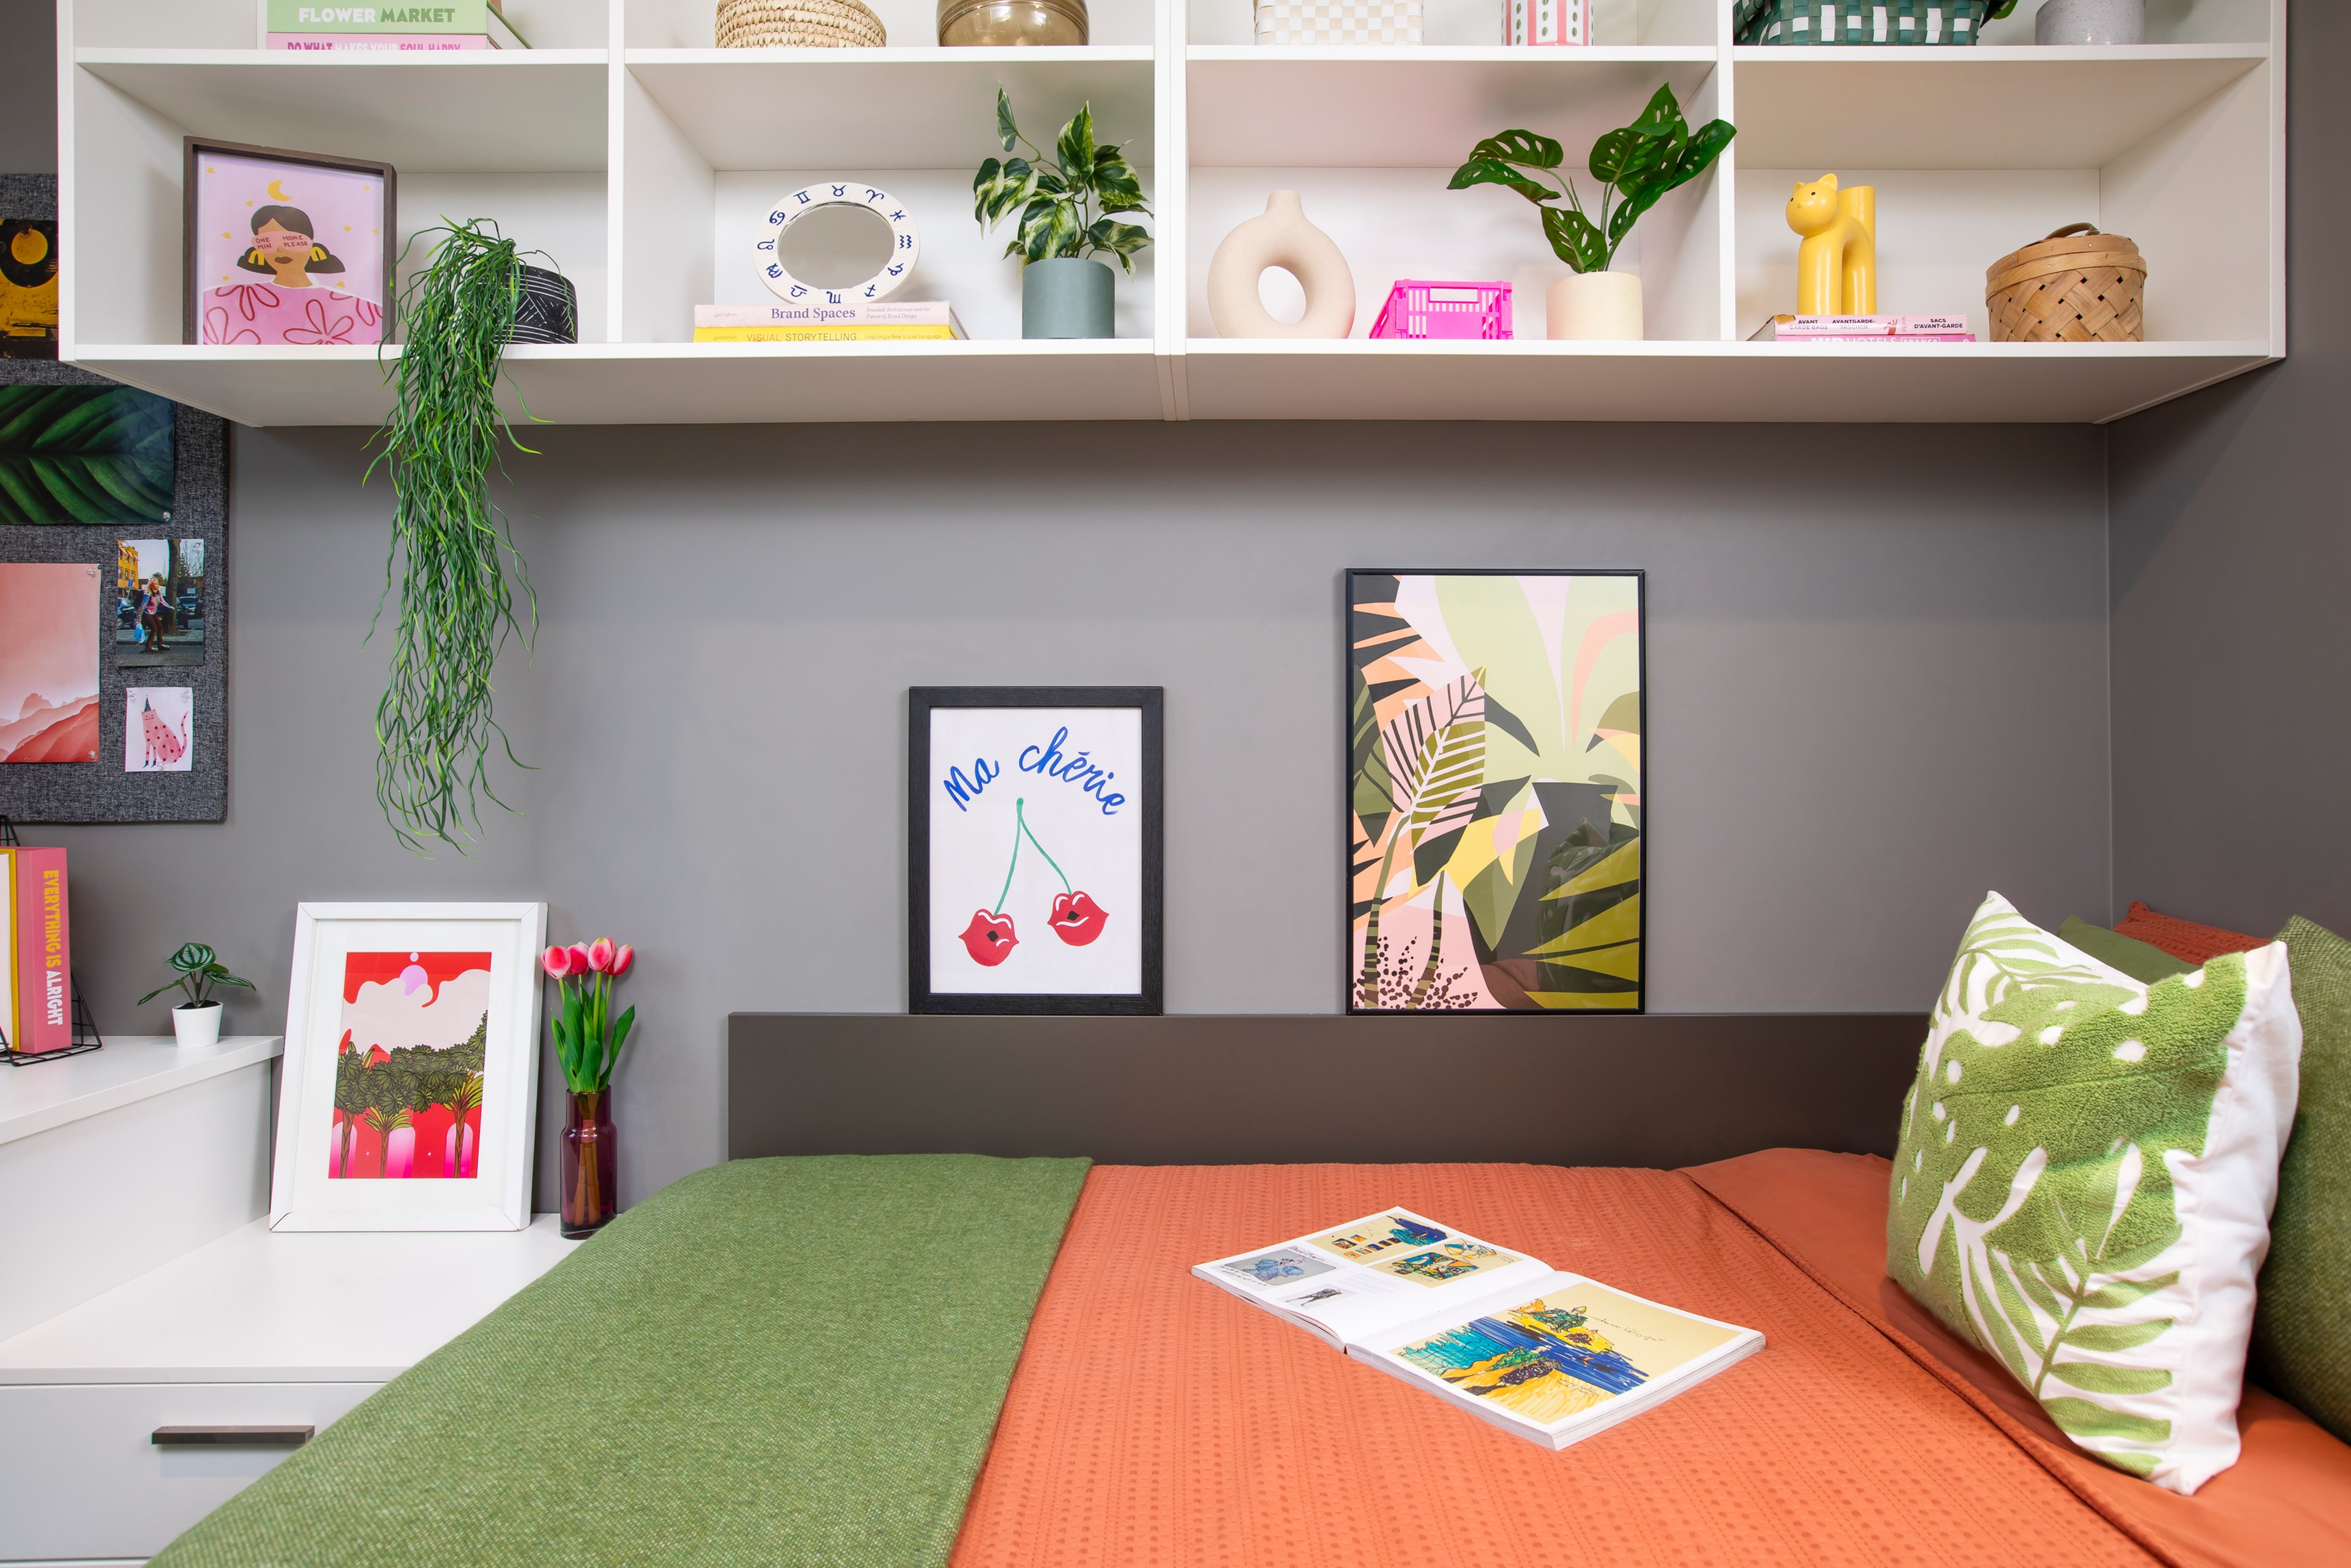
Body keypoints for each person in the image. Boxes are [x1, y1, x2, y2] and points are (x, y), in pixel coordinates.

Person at [200, 202, 381, 346]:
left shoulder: (361, 309)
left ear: (311, 243)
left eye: (291, 240)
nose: (280, 249)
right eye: (267, 242)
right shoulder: (226, 299)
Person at [139, 574, 170, 655]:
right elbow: (142, 606)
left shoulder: (159, 593)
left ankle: (161, 644)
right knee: (154, 629)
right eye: (156, 584)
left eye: (158, 583)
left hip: (153, 613)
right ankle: (148, 646)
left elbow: (163, 602)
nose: (157, 585)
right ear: (152, 585)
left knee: (160, 627)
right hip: (147, 614)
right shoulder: (148, 595)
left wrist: (171, 607)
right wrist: (139, 617)